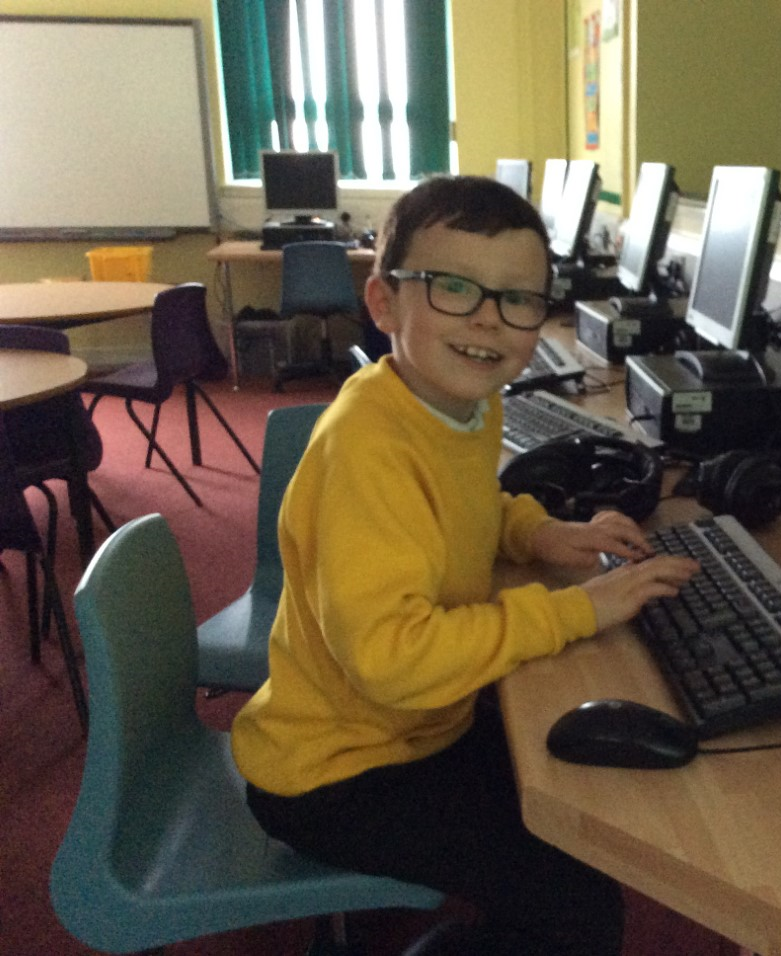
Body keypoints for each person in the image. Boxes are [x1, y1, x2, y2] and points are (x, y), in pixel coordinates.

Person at [231, 174, 699, 956]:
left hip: (412, 725)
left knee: (577, 789)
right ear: (384, 303)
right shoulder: (367, 452)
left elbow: (471, 503)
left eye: (518, 298)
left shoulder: (459, 403)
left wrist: (539, 534)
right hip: (336, 772)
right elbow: (392, 659)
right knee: (579, 907)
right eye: (453, 287)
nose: (488, 319)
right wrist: (578, 609)